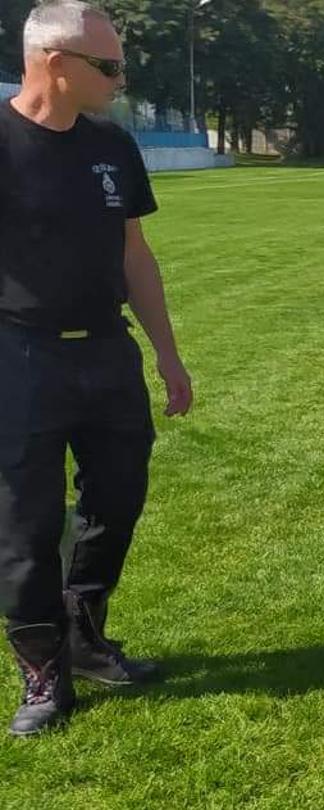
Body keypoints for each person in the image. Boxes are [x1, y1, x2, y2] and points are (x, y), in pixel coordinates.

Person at [0, 1, 192, 737]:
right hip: (20, 357)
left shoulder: (112, 144)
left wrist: (167, 357)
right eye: (109, 66)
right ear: (55, 63)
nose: (120, 77)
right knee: (26, 523)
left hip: (108, 353)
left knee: (118, 500)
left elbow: (133, 256)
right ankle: (42, 670)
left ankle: (84, 633)